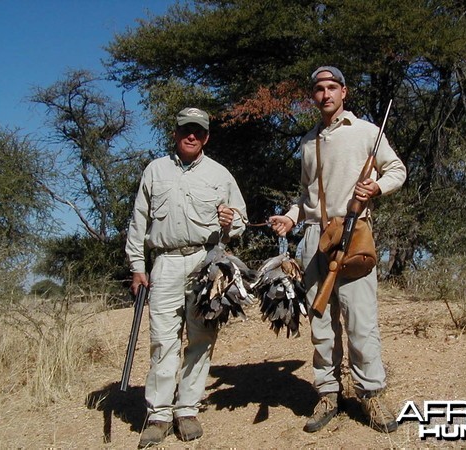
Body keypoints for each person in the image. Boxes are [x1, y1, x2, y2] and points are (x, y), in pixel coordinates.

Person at [269, 66, 406, 433]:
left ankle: (371, 395)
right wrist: (291, 218)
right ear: (312, 96)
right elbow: (306, 194)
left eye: (332, 87)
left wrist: (376, 189)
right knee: (322, 323)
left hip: (354, 233)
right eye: (319, 89)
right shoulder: (307, 141)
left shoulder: (365, 132)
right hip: (315, 238)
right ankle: (328, 393)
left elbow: (396, 169)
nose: (325, 94)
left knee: (360, 321)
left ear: (344, 92)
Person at [125, 107, 247, 448]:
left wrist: (230, 221)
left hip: (204, 263)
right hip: (163, 263)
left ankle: (187, 410)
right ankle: (159, 415)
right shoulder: (155, 170)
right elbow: (138, 223)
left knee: (200, 337)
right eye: (185, 130)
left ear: (206, 136)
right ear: (175, 133)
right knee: (162, 340)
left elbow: (240, 220)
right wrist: (138, 266)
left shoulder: (219, 174)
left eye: (198, 131)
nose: (191, 135)